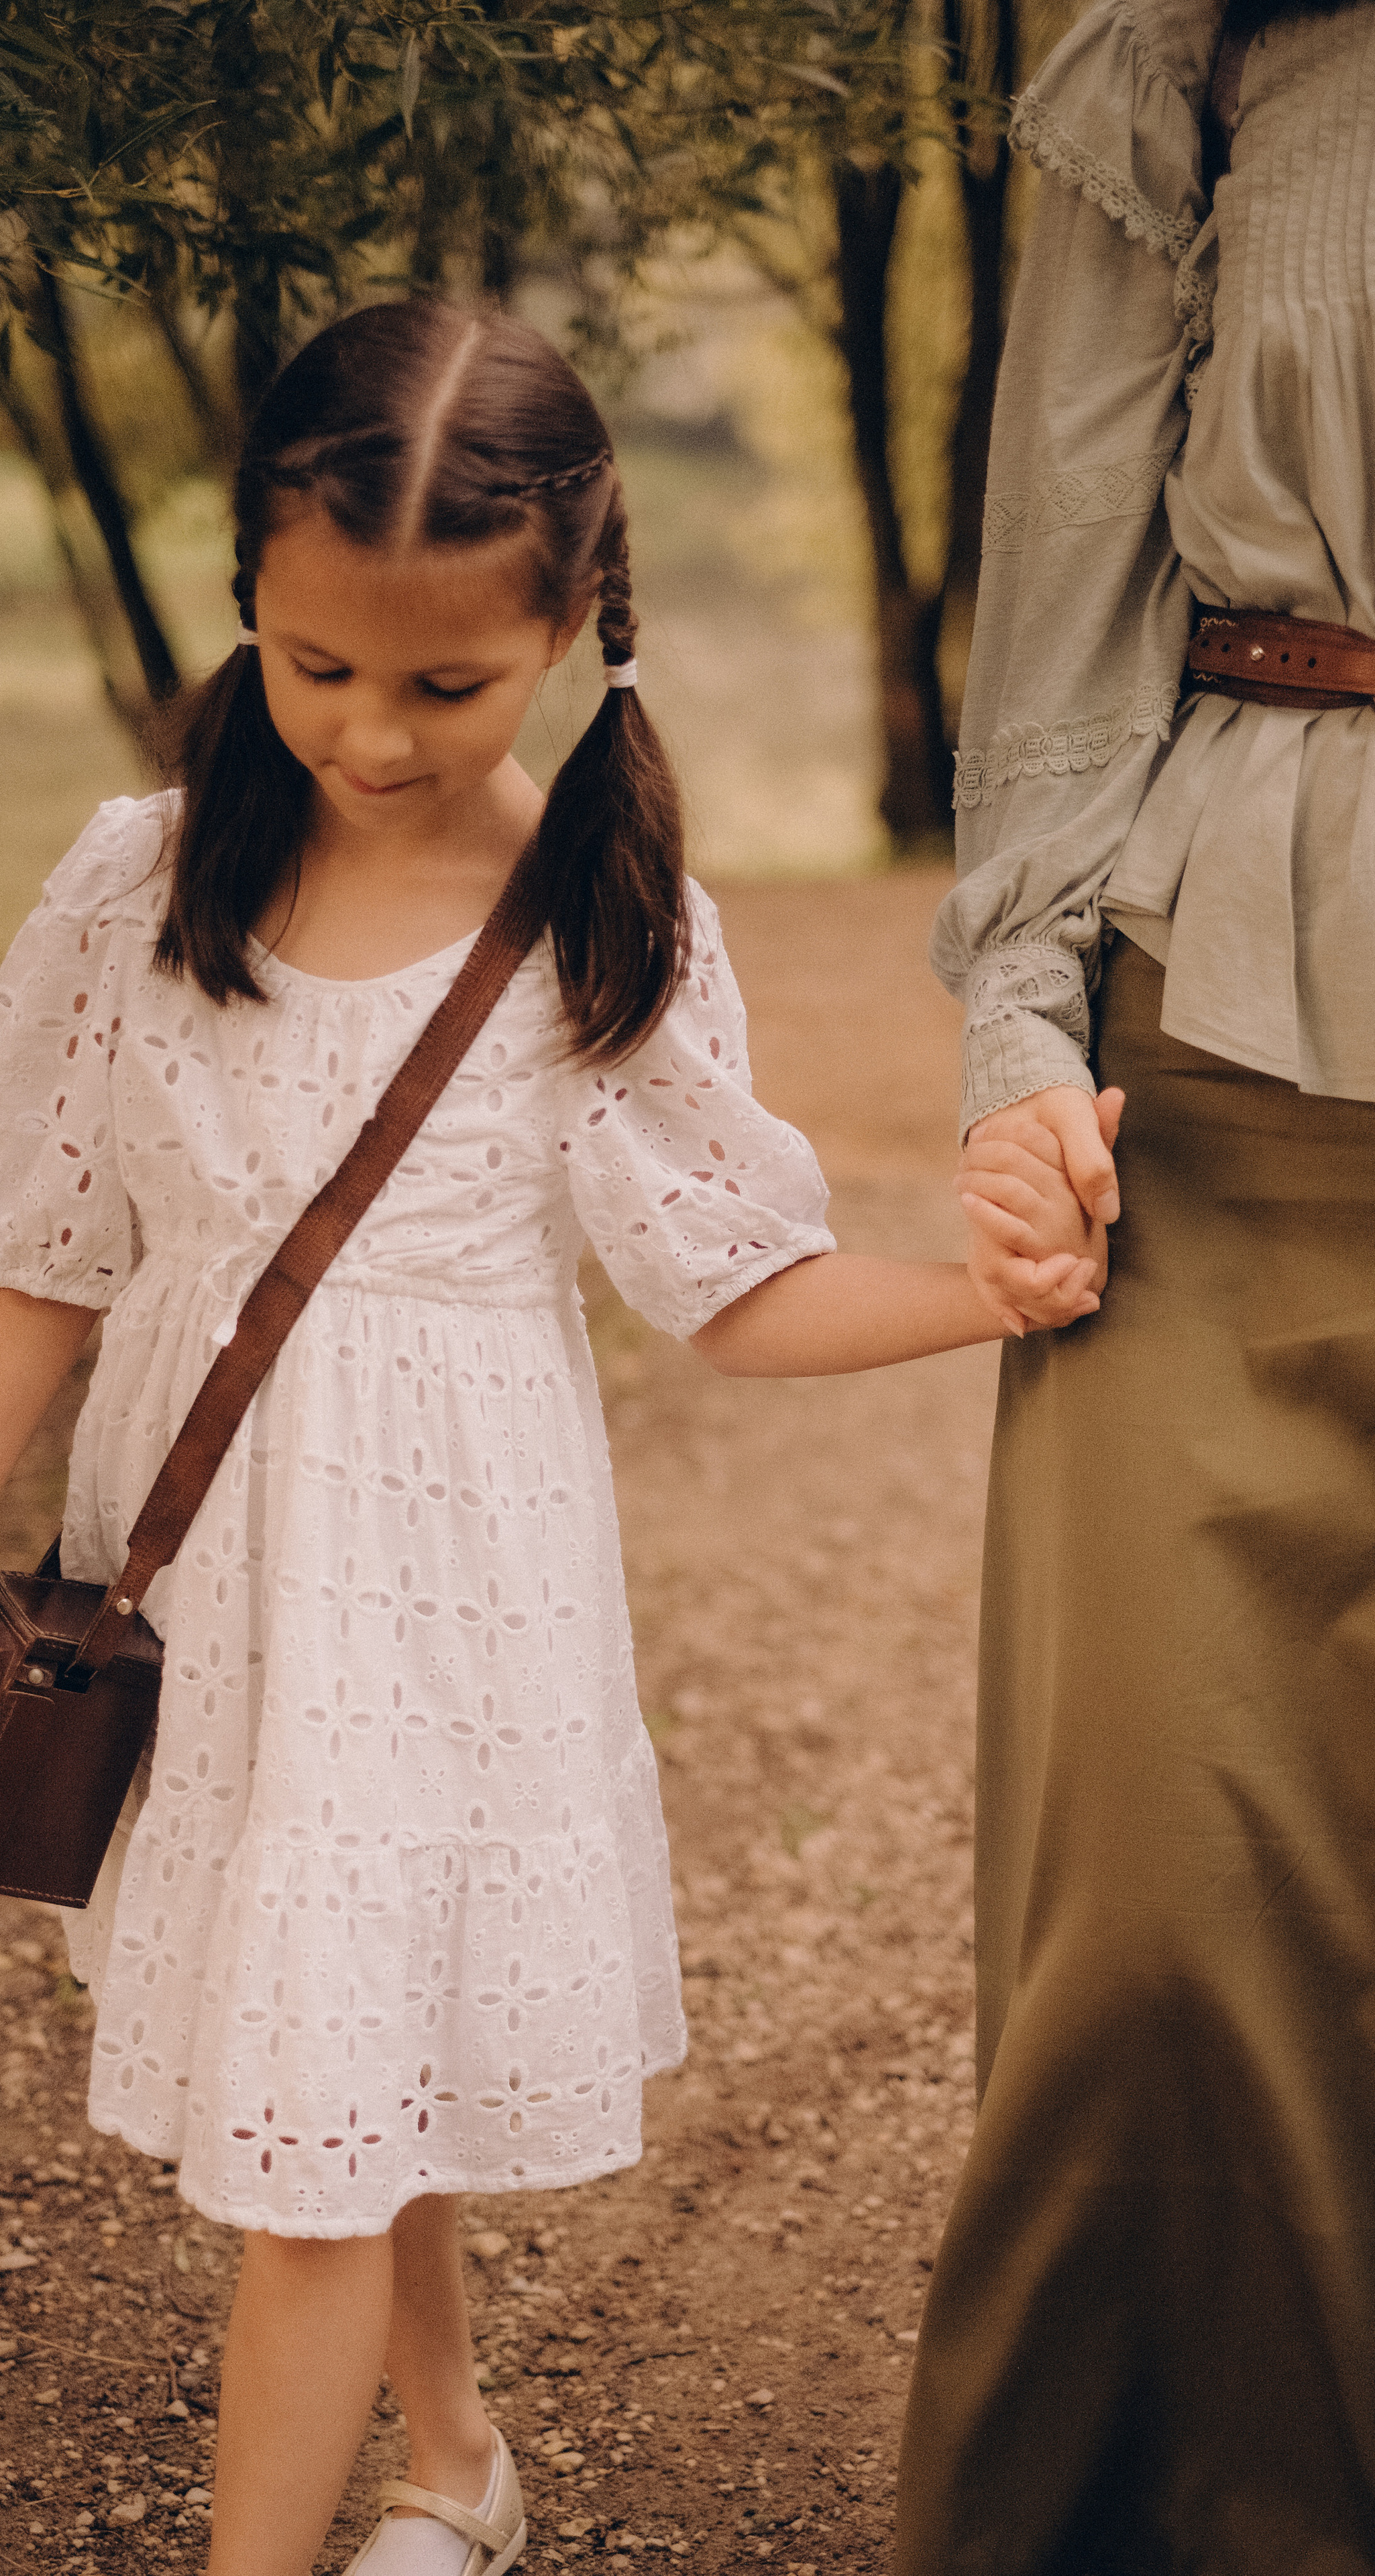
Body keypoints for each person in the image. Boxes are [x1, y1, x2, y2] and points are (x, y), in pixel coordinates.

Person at [0, 301, 1097, 2576]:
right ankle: (457, 2474)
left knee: (319, 2112)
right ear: (248, 591)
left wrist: (985, 1300)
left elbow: (736, 1287)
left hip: (447, 1626)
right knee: (338, 2051)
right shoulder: (140, 886)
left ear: (575, 620)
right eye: (317, 666)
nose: (368, 733)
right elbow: (46, 1251)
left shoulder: (601, 925)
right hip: (208, 1598)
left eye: (446, 683)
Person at [910, 2, 1375, 2569]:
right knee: (1162, 1943)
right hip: (1219, 1099)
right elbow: (1070, 579)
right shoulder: (1178, 51)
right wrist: (1016, 1049)